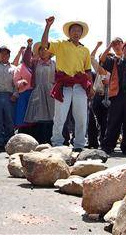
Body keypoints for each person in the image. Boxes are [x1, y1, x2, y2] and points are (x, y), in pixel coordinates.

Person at [42, 16, 93, 152]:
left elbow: (87, 70)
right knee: (60, 115)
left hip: (80, 86)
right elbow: (44, 44)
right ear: (69, 33)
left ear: (81, 34)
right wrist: (48, 26)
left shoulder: (85, 50)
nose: (76, 32)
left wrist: (91, 87)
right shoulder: (61, 44)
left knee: (82, 116)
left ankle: (80, 145)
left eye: (78, 30)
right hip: (64, 84)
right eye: (74, 30)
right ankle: (57, 143)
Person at [24, 41, 56, 144]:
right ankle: (40, 141)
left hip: (51, 92)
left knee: (52, 116)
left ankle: (51, 139)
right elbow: (26, 60)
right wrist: (29, 47)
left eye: (45, 49)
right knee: (39, 116)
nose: (43, 51)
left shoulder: (55, 64)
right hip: (39, 91)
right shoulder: (35, 63)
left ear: (50, 52)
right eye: (40, 49)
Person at [13, 39, 35, 135]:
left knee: (33, 116)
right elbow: (15, 81)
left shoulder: (34, 66)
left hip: (33, 94)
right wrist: (21, 82)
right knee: (23, 115)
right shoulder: (19, 68)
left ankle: (34, 134)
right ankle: (23, 133)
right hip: (24, 94)